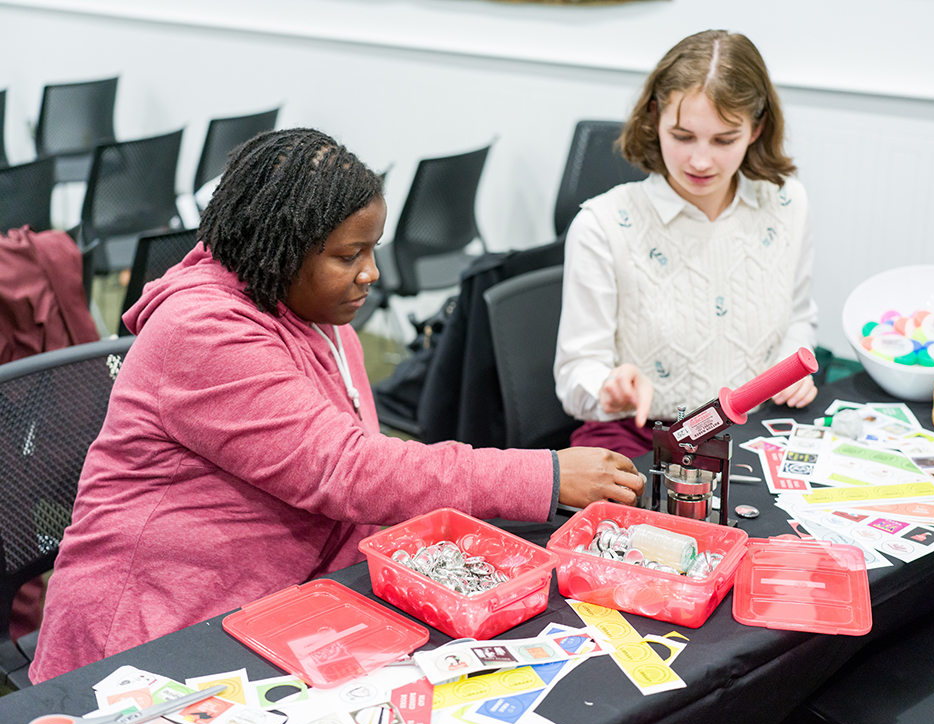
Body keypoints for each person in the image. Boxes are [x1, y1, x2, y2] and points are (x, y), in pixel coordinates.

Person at [29, 129, 643, 682]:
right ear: (276, 249)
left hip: (277, 603)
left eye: (372, 250)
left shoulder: (324, 321)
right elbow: (346, 471)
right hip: (150, 640)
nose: (371, 274)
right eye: (348, 256)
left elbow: (362, 474)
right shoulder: (202, 333)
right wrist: (547, 474)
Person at [554, 29, 819, 458]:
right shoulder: (603, 224)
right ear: (654, 119)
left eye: (724, 139)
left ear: (757, 129)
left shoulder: (788, 202)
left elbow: (799, 317)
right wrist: (606, 387)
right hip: (641, 439)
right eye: (682, 136)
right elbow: (574, 376)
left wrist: (791, 367)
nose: (700, 161)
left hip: (755, 432)